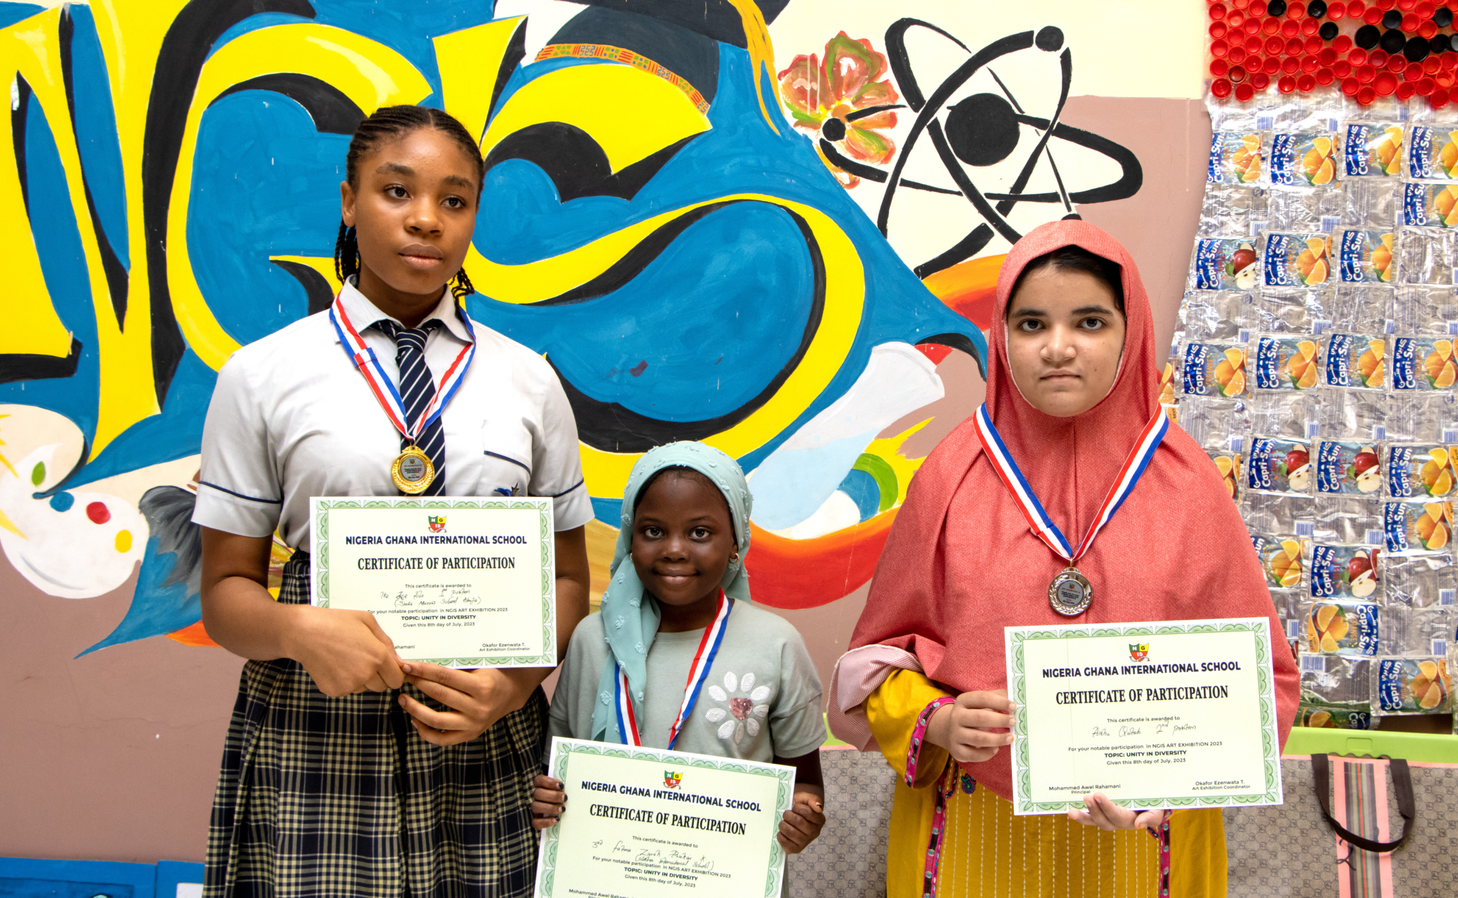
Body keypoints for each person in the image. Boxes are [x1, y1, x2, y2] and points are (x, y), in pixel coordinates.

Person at [829, 219, 1299, 898]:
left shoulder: (1189, 484)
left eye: (1089, 322)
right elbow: (879, 665)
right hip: (975, 835)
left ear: (1131, 332)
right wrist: (941, 722)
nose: (1057, 347)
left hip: (1141, 844)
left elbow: (1261, 685)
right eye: (1030, 325)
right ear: (1001, 336)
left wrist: (1174, 784)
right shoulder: (950, 477)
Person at [194, 105, 593, 897]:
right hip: (317, 725)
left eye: (455, 200)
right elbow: (223, 595)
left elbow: (570, 580)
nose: (426, 220)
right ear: (349, 201)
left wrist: (513, 685)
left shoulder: (528, 379)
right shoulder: (261, 375)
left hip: (478, 725)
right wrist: (298, 629)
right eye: (397, 191)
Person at [532, 442, 828, 859]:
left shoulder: (777, 644)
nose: (674, 549)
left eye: (700, 532)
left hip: (725, 877)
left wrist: (804, 817)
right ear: (630, 538)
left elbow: (805, 784)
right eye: (653, 531)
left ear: (735, 541)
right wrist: (546, 799)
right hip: (606, 872)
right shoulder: (590, 639)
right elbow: (556, 770)